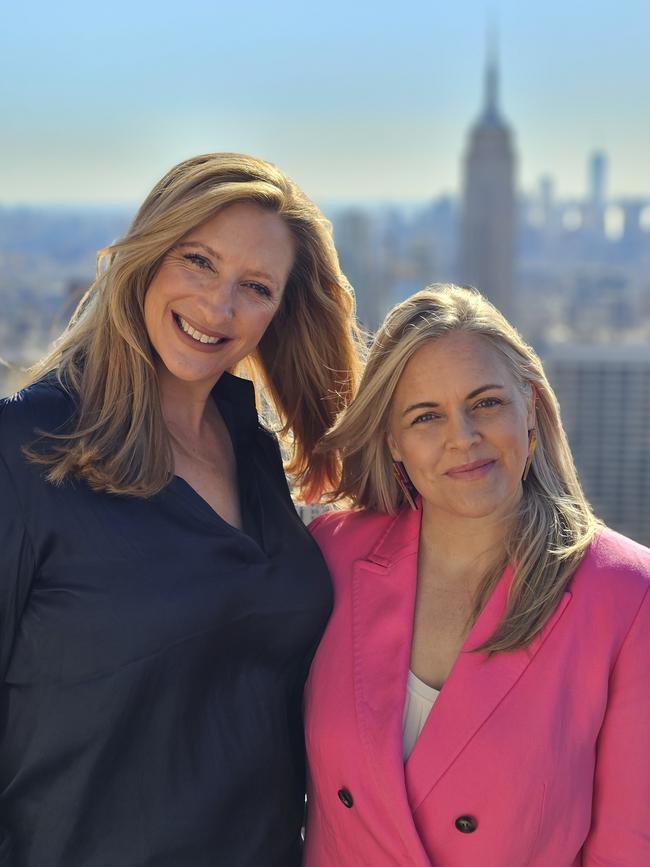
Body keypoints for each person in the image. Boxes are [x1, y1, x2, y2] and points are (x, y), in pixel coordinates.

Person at [0, 153, 363, 867]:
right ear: (148, 255)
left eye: (254, 287)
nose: (218, 306)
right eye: (198, 260)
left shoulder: (255, 451)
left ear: (278, 312)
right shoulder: (25, 451)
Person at [303, 284, 650, 866]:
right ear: (393, 443)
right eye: (426, 416)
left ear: (531, 409)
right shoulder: (331, 555)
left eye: (486, 403)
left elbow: (628, 843)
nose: (462, 438)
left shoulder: (625, 595)